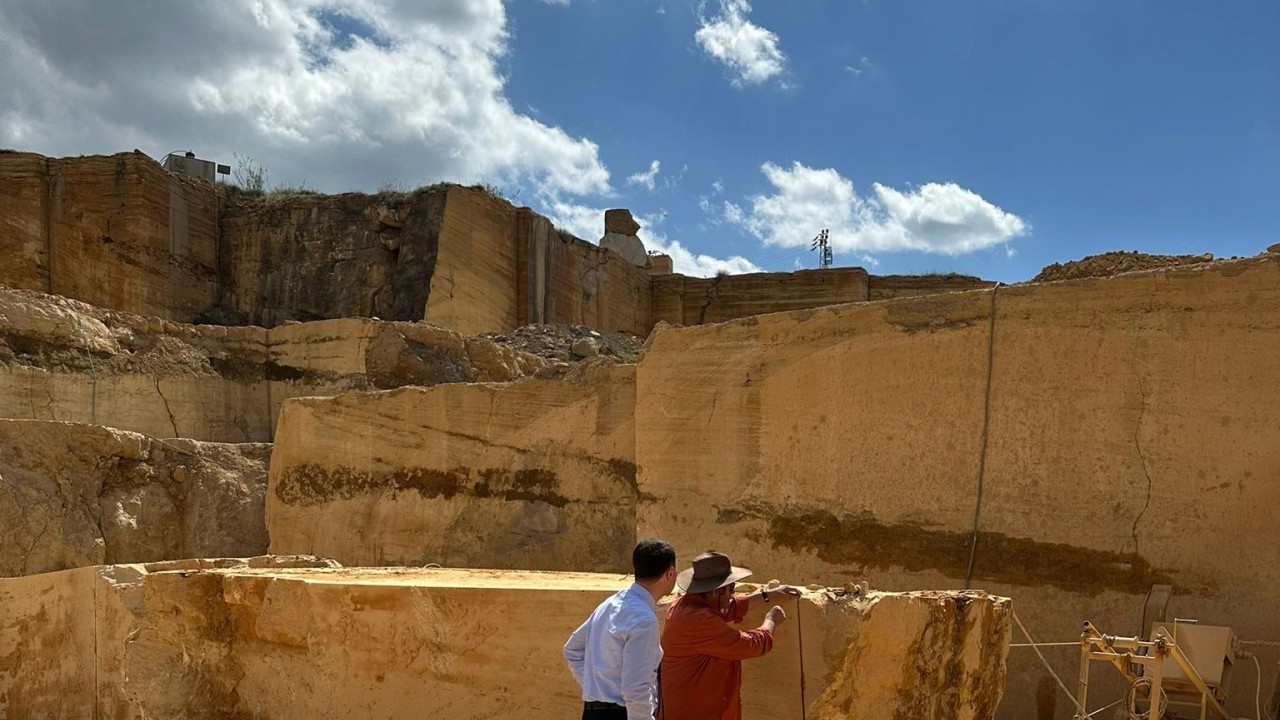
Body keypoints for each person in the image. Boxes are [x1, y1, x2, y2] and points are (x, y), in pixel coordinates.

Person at [659, 551, 801, 720]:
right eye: (731, 588)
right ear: (714, 592)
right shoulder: (701, 620)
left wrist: (767, 595)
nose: (732, 594)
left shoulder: (688, 605)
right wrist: (771, 621)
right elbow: (750, 646)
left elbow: (731, 606)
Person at [565, 539, 677, 720]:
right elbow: (636, 688)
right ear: (670, 573)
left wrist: (596, 689)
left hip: (592, 713)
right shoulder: (644, 620)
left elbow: (572, 649)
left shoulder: (609, 604)